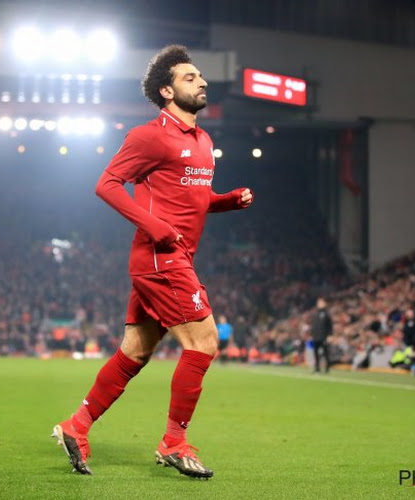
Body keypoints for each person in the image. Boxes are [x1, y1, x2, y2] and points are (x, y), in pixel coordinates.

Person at [52, 45, 253, 479]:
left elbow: (192, 201)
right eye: (189, 77)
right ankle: (174, 443)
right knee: (203, 343)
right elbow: (106, 185)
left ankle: (77, 425)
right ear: (166, 91)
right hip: (161, 259)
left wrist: (225, 202)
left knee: (135, 352)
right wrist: (154, 226)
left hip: (171, 258)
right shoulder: (149, 136)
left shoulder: (203, 141)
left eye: (201, 76)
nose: (201, 81)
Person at [310, 297, 333, 373]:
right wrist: (312, 334)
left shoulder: (326, 314)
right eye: (319, 302)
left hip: (324, 336)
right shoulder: (315, 313)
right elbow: (313, 325)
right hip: (315, 336)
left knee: (325, 352)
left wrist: (330, 335)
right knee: (315, 353)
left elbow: (330, 326)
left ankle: (327, 368)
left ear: (325, 303)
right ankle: (317, 367)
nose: (319, 304)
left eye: (321, 302)